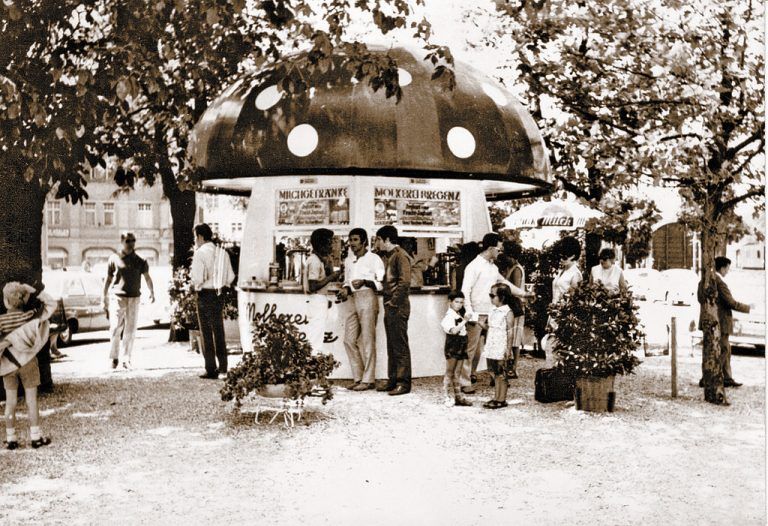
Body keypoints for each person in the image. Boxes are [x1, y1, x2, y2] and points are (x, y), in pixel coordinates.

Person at [460, 232, 532, 394]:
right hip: (477, 313)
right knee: (471, 349)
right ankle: (464, 382)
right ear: (491, 248)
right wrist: (469, 312)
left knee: (494, 345)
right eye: (498, 250)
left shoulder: (493, 268)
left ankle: (495, 377)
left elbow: (504, 283)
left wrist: (523, 294)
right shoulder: (473, 266)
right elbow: (465, 290)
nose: (500, 253)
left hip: (492, 312)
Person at [1, 282, 57, 449]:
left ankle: (11, 439)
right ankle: (35, 437)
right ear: (23, 300)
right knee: (31, 400)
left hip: (9, 365)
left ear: (6, 302)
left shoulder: (1, 321)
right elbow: (51, 305)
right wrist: (36, 291)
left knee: (10, 402)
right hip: (29, 362)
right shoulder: (30, 316)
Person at [337, 228, 384, 391]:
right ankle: (358, 377)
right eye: (350, 240)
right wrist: (345, 289)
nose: (352, 243)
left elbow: (381, 283)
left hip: (368, 297)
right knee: (349, 340)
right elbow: (347, 281)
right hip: (352, 299)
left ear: (364, 241)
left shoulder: (374, 259)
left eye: (355, 240)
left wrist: (365, 281)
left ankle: (368, 380)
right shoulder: (349, 261)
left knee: (368, 340)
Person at [103, 232, 155, 370]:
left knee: (130, 329)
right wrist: (103, 296)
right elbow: (108, 279)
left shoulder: (140, 260)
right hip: (117, 297)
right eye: (128, 241)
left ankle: (126, 359)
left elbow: (147, 277)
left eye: (133, 240)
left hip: (134, 297)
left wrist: (152, 292)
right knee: (115, 327)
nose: (131, 243)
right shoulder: (114, 258)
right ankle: (114, 358)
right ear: (122, 241)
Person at [697, 256, 751, 388]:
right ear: (722, 268)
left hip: (707, 321)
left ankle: (727, 378)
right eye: (727, 269)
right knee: (723, 350)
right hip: (720, 322)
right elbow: (730, 302)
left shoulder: (703, 281)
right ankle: (708, 378)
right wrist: (748, 308)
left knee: (718, 349)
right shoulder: (719, 282)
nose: (727, 271)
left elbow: (700, 299)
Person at [375, 225, 412, 396]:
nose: (377, 243)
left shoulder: (400, 256)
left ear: (387, 239)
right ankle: (393, 380)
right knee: (392, 345)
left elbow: (404, 283)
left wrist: (393, 302)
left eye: (378, 239)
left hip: (397, 307)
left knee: (399, 346)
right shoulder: (390, 256)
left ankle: (403, 383)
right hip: (391, 306)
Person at [190, 223, 228, 379]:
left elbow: (198, 277)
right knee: (219, 330)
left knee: (206, 331)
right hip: (219, 292)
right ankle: (223, 367)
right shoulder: (222, 252)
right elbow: (230, 276)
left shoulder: (200, 253)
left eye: (195, 237)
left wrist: (195, 285)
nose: (195, 240)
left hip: (204, 294)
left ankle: (211, 368)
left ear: (200, 236)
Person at [303, 228, 341, 355]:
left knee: (317, 334)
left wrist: (327, 263)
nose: (331, 246)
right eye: (329, 243)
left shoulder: (318, 259)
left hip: (319, 300)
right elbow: (313, 286)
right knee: (316, 337)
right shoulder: (314, 261)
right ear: (321, 244)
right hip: (316, 299)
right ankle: (313, 361)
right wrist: (332, 276)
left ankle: (314, 359)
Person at [546, 236, 582, 366]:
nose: (561, 259)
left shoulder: (575, 274)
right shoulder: (562, 271)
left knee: (560, 351)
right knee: (551, 349)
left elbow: (573, 299)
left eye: (564, 256)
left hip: (564, 316)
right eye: (560, 256)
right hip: (554, 314)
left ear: (573, 256)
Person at [480, 283, 517, 409]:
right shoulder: (492, 310)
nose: (490, 298)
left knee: (502, 372)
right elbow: (491, 327)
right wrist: (482, 325)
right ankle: (496, 397)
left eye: (492, 295)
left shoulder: (508, 312)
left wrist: (508, 349)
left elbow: (510, 332)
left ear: (502, 297)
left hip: (501, 344)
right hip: (492, 343)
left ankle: (502, 399)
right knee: (495, 371)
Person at [440, 291, 473, 407]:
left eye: (461, 302)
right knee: (449, 372)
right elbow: (454, 331)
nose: (459, 305)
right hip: (453, 346)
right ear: (450, 302)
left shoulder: (458, 315)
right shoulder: (448, 317)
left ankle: (458, 397)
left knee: (457, 373)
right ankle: (445, 396)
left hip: (461, 345)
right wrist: (465, 320)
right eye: (456, 302)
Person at [500, 241, 527, 379]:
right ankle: (510, 366)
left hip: (516, 306)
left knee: (515, 338)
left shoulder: (516, 269)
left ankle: (514, 367)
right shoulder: (511, 268)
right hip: (512, 306)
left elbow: (515, 289)